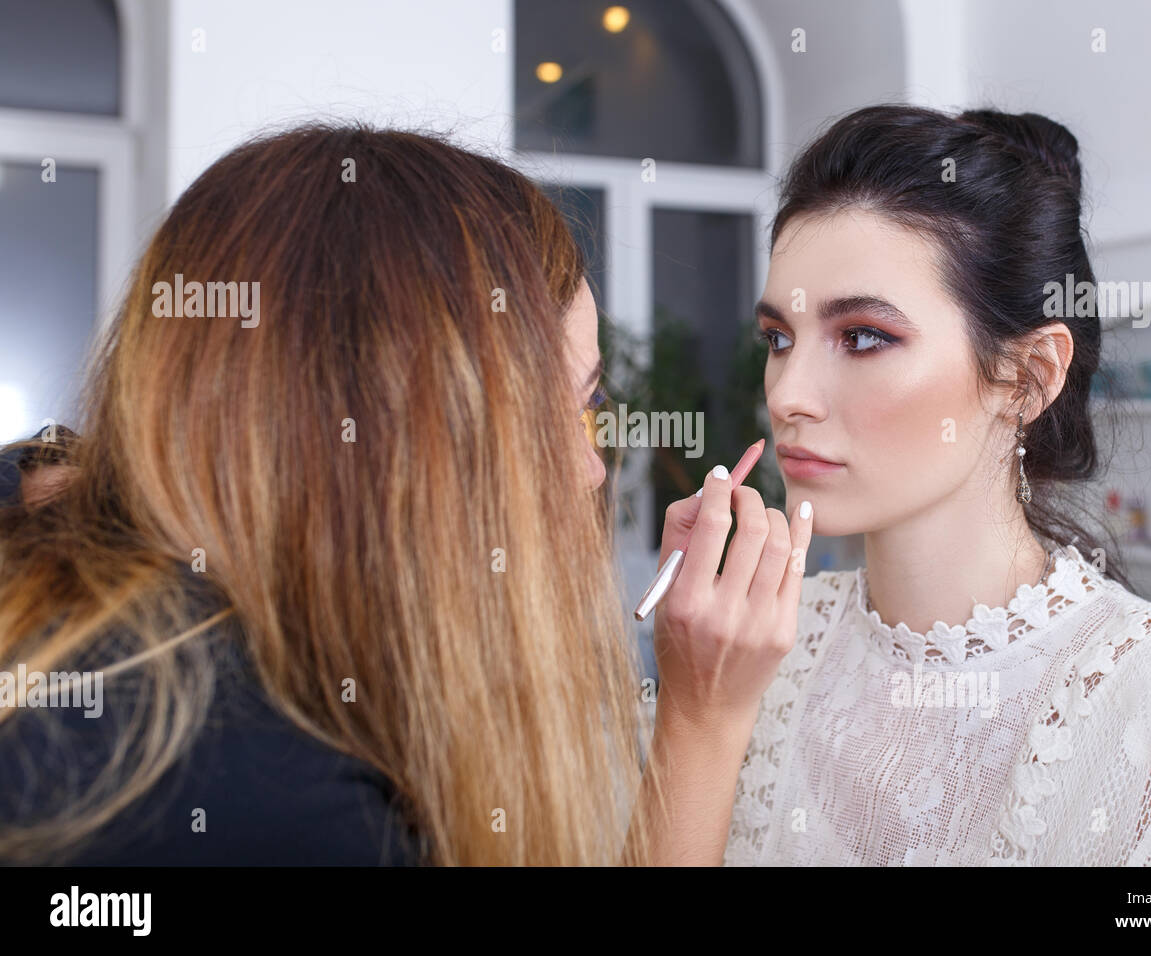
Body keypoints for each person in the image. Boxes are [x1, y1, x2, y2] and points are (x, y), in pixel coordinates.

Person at [0, 124, 708, 865]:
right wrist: (702, 723)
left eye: (589, 408)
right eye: (537, 415)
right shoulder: (289, 808)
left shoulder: (69, 574)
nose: (588, 470)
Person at [711, 104, 1151, 865]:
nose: (788, 392)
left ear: (1027, 376)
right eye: (778, 339)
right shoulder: (752, 652)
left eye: (862, 337)